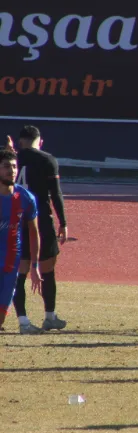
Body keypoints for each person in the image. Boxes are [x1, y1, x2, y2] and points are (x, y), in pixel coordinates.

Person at [6, 127, 67, 333]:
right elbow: (56, 194)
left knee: (19, 272)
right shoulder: (47, 160)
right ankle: (49, 316)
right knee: (48, 269)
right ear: (39, 141)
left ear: (20, 141)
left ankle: (23, 320)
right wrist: (63, 222)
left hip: (15, 219)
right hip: (41, 220)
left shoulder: (10, 160)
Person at [0, 147, 42, 331]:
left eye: (14, 166)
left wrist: (35, 266)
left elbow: (34, 232)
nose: (12, 170)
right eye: (6, 166)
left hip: (11, 263)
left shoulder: (26, 197)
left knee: (1, 317)